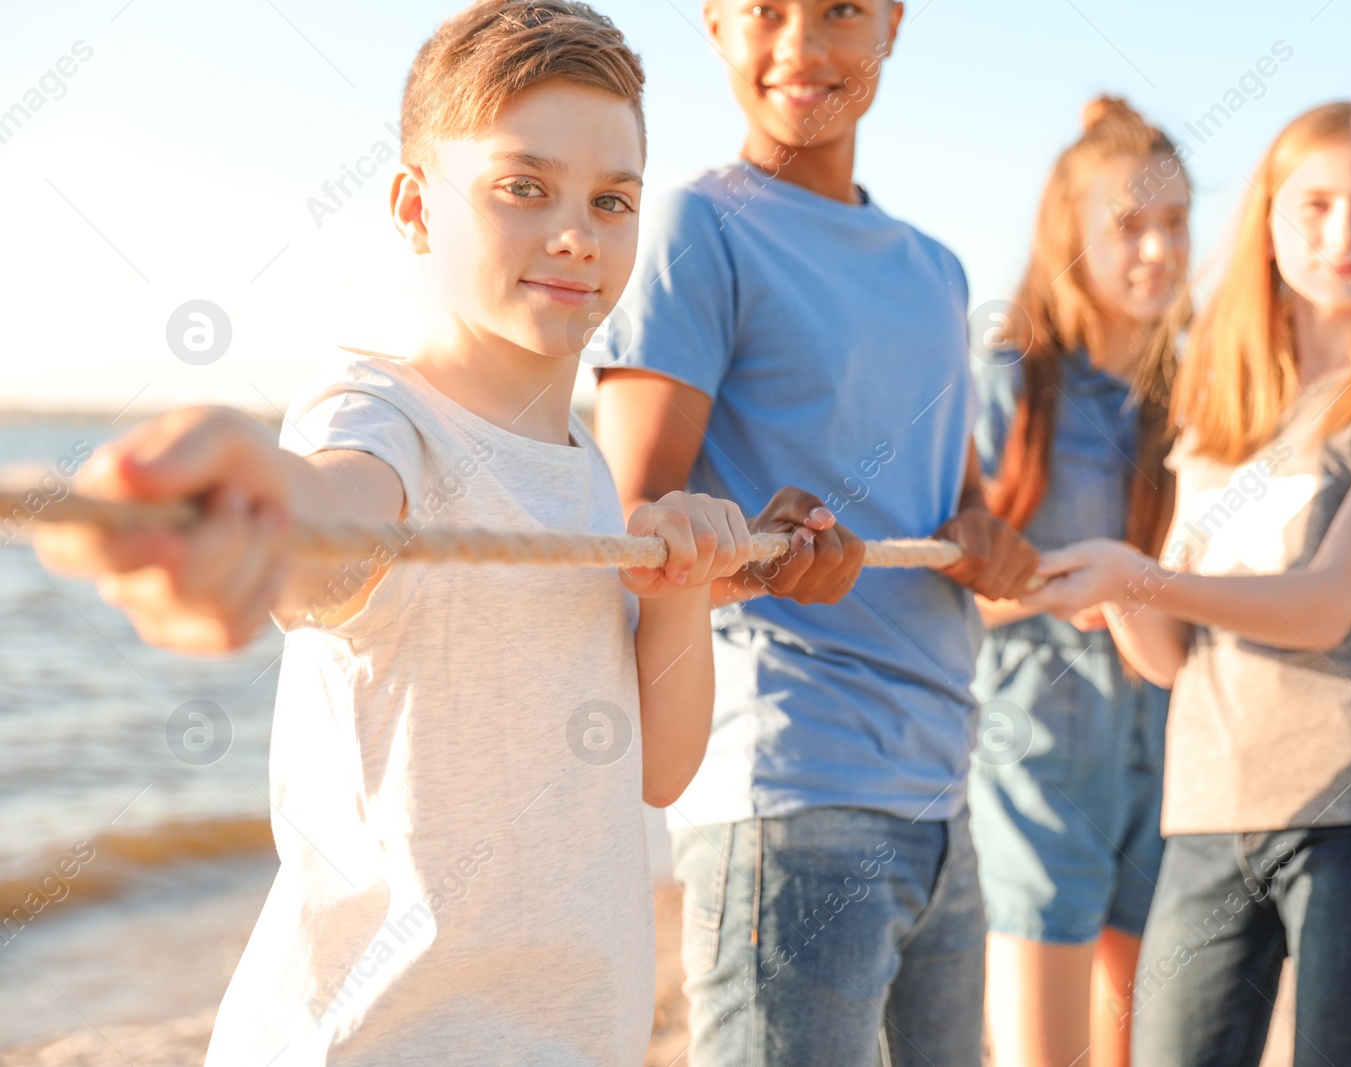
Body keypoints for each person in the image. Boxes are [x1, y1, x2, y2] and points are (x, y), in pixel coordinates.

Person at [34, 3, 755, 1063]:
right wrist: (256, 515)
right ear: (417, 208)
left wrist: (680, 585)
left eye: (611, 199)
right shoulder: (375, 415)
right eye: (524, 186)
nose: (576, 232)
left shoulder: (585, 468)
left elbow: (655, 769)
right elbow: (335, 516)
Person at [591, 1, 1038, 1063]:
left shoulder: (937, 270)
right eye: (764, 10)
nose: (800, 43)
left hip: (941, 795)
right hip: (785, 797)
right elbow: (629, 528)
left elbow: (955, 510)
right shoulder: (695, 226)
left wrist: (993, 543)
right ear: (713, 27)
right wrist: (758, 549)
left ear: (891, 21)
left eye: (838, 8)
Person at [1026, 97, 1351, 1067]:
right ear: (1268, 218)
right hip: (1204, 814)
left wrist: (1141, 576)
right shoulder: (1217, 392)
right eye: (1313, 203)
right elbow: (1167, 659)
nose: (1342, 233)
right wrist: (1111, 584)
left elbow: (1323, 604)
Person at [967, 96, 1189, 1067]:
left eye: (1175, 223)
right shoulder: (1010, 377)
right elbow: (941, 579)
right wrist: (1072, 587)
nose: (1157, 250)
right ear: (1072, 232)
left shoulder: (1191, 395)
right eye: (1128, 225)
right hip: (1036, 742)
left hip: (1170, 742)